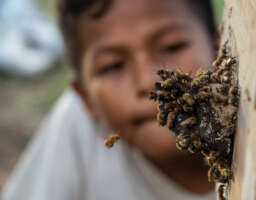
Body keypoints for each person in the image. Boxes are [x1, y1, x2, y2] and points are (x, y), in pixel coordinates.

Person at [2, 0, 219, 199]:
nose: (149, 82)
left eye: (172, 46)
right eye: (114, 65)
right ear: (86, 98)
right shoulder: (77, 127)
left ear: (219, 49)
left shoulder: (250, 117)